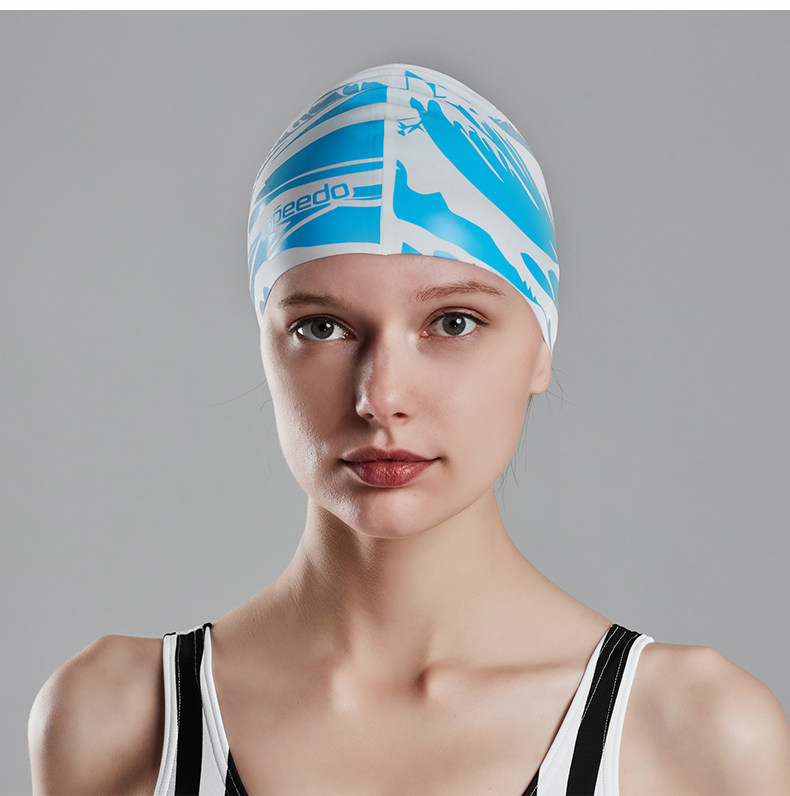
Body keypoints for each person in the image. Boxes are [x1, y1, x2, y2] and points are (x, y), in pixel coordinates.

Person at [28, 63, 790, 796]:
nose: (381, 397)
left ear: (540, 349)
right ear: (267, 345)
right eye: (322, 326)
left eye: (453, 322)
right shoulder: (121, 720)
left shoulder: (692, 736)